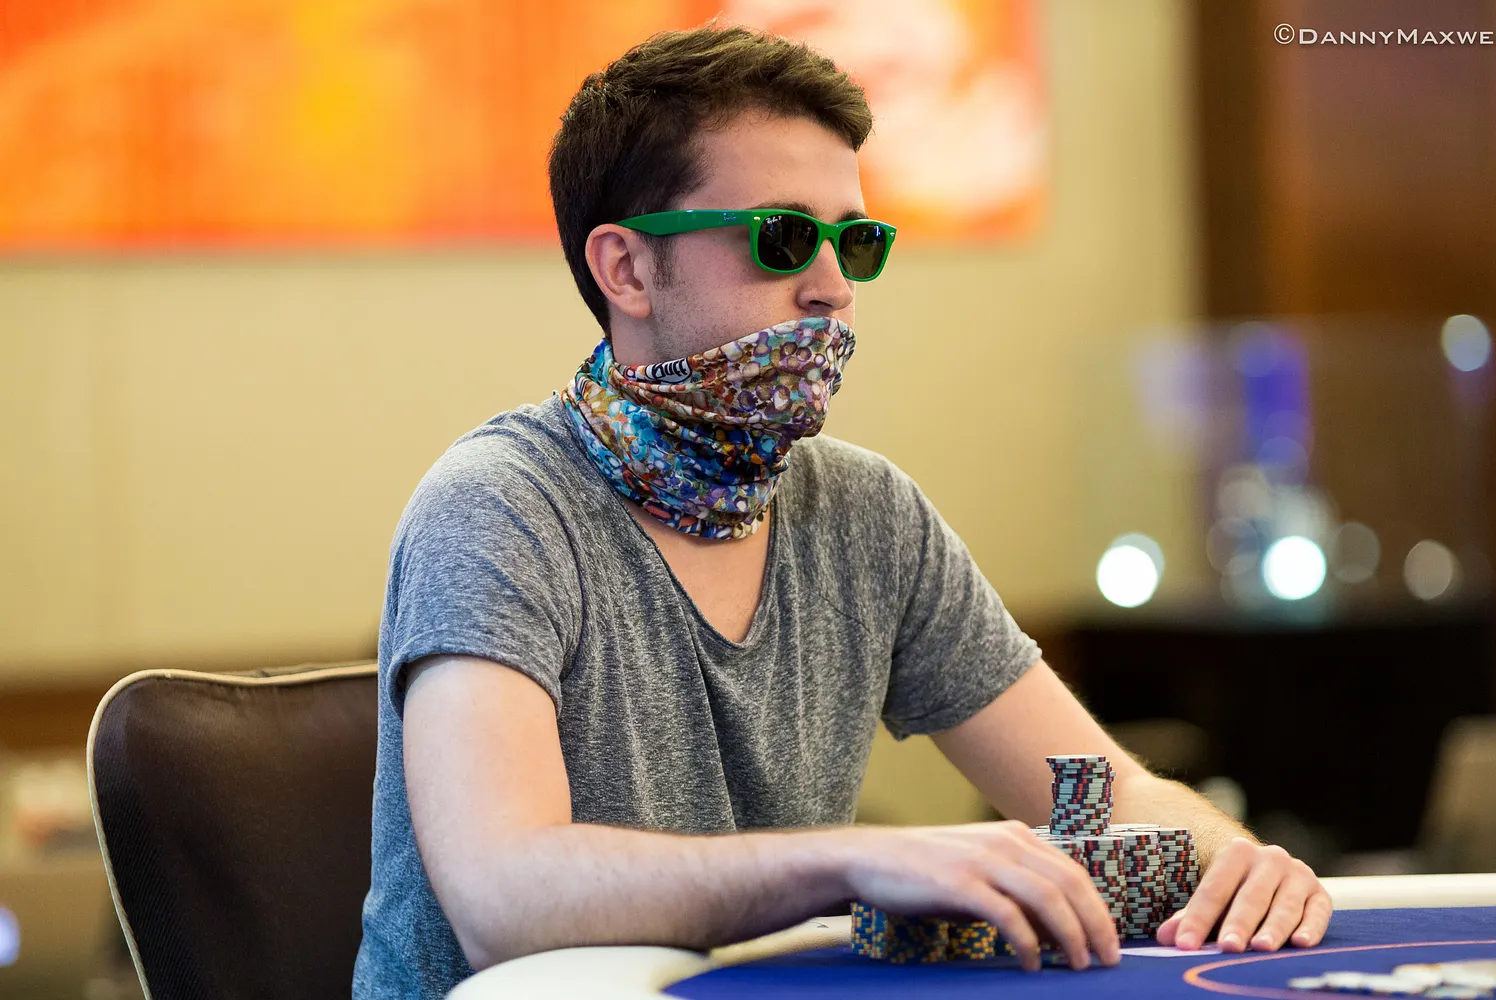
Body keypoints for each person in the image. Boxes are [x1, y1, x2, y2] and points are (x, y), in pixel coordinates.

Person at [352, 24, 1330, 1000]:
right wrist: (850, 859)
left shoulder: (868, 513)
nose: (831, 289)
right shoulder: (496, 507)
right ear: (628, 270)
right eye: (781, 238)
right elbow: (505, 897)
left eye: (855, 243)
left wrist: (1228, 857)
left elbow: (1107, 790)